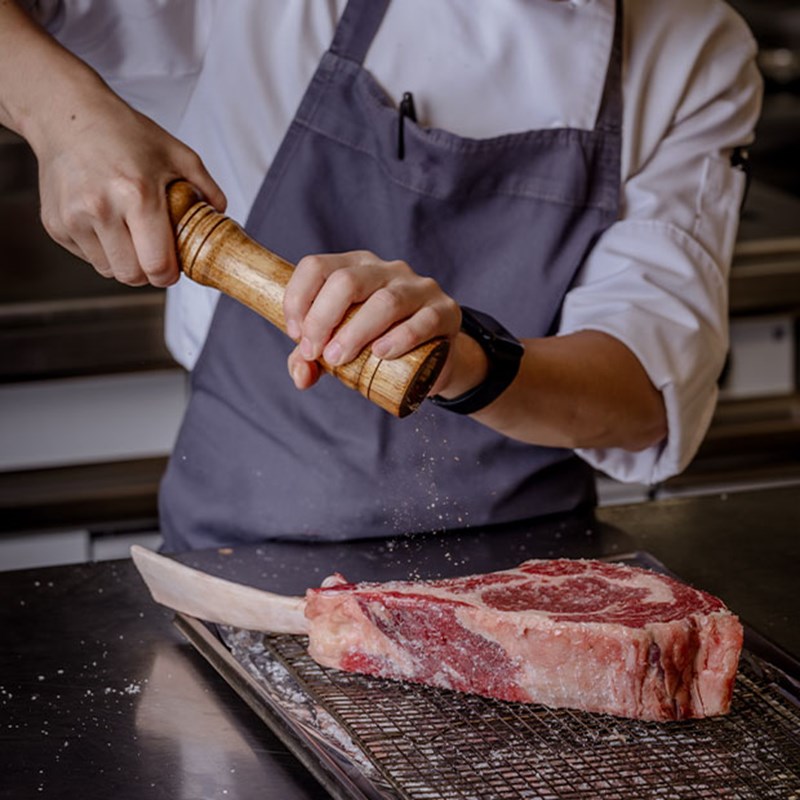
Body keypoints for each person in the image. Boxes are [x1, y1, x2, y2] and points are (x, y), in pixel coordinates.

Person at [1, 1, 762, 550]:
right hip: (237, 555)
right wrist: (64, 114)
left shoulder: (696, 47)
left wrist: (465, 358)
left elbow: (640, 402)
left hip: (525, 587)